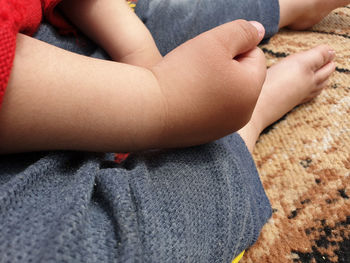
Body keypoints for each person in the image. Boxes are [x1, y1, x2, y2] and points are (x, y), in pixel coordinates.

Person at [0, 0, 348, 262]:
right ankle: (248, 120)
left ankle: (283, 5)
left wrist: (144, 56)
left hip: (52, 31)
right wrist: (160, 98)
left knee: (166, 15)